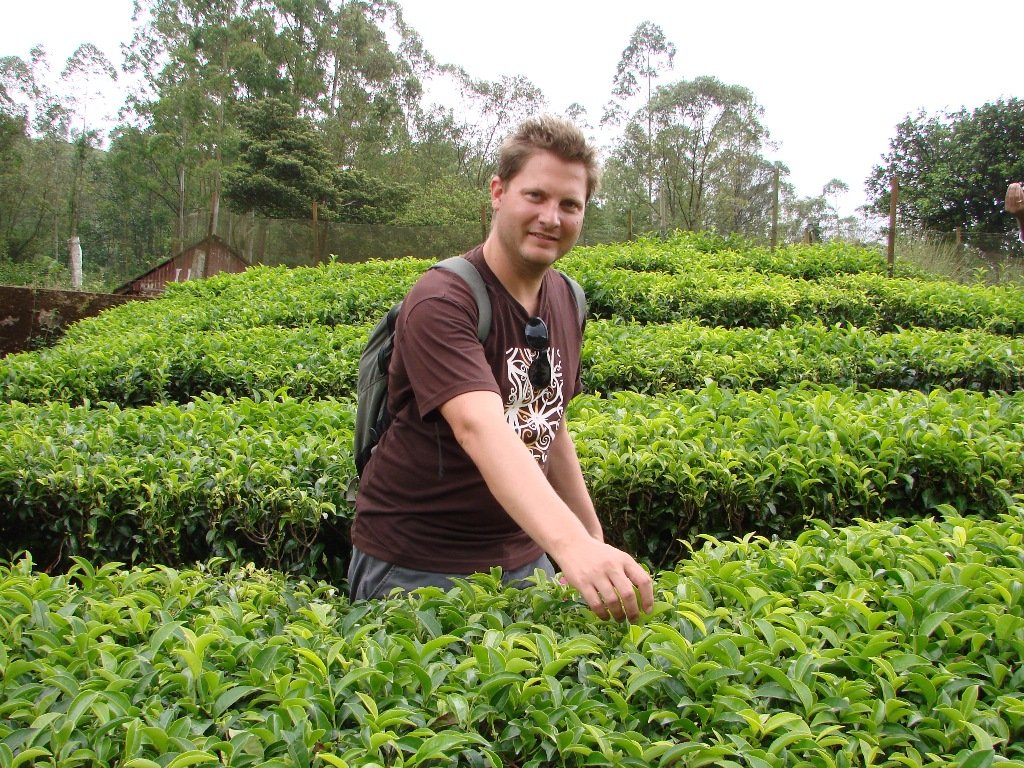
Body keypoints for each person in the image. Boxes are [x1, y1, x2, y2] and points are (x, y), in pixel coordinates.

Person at [348, 114, 654, 622]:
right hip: (417, 565)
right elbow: (479, 427)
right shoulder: (443, 300)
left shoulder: (568, 300)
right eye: (535, 196)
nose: (551, 218)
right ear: (498, 192)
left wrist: (592, 542)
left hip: (523, 558)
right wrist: (572, 548)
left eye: (569, 205)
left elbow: (548, 426)